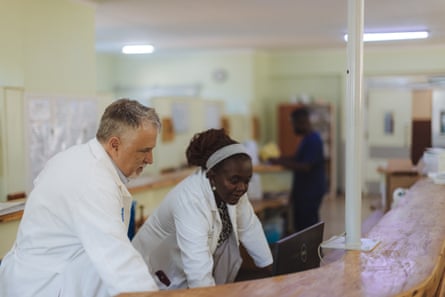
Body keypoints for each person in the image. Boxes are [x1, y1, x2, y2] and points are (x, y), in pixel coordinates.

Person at [0, 98, 161, 297]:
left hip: (48, 275)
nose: (150, 160)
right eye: (144, 150)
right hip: (41, 286)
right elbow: (117, 260)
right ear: (114, 145)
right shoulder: (92, 179)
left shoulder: (79, 159)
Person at [132, 128, 273, 290]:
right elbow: (198, 271)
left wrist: (275, 272)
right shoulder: (190, 200)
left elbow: (249, 228)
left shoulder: (233, 190)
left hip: (184, 273)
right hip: (153, 275)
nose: (242, 187)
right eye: (235, 180)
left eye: (246, 180)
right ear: (212, 175)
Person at [269, 107, 326, 233]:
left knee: (307, 224)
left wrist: (281, 162)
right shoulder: (307, 139)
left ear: (302, 122)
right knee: (302, 223)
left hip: (310, 190)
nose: (293, 128)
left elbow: (305, 166)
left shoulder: (314, 140)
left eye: (293, 124)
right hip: (305, 190)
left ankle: (313, 251)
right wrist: (279, 159)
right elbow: (297, 158)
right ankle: (310, 250)